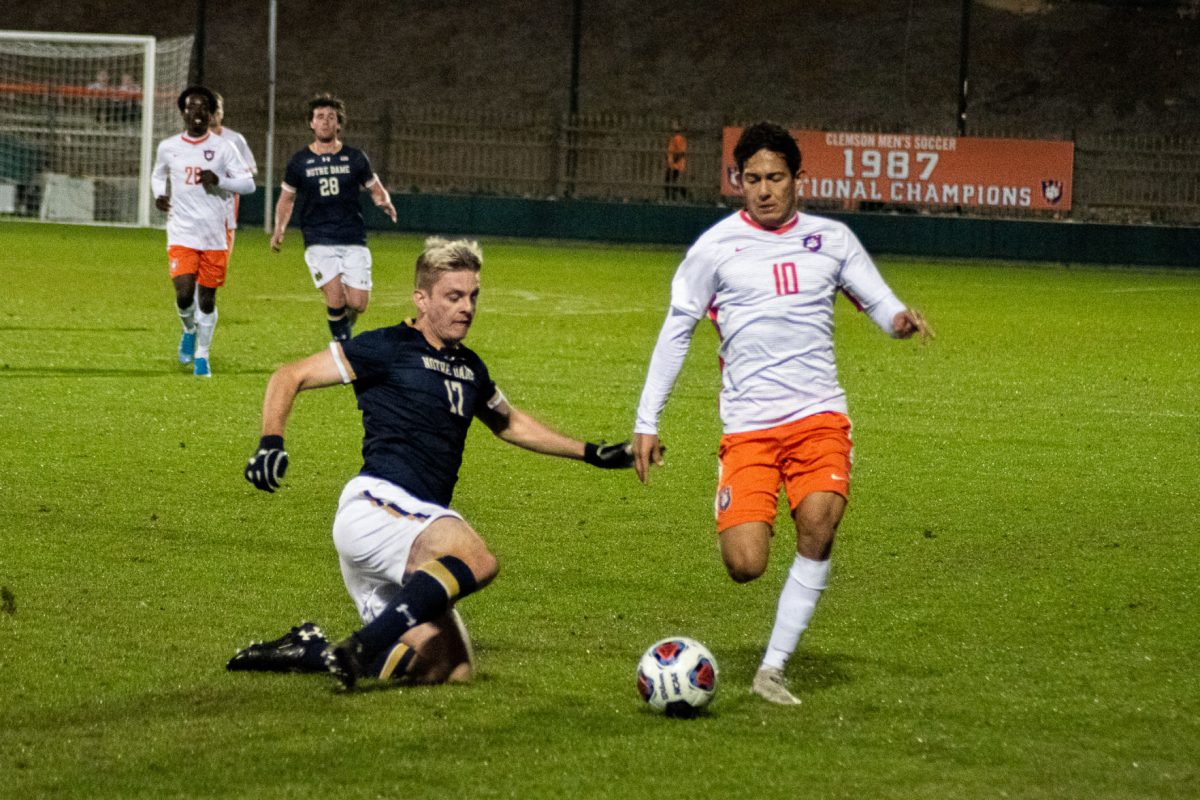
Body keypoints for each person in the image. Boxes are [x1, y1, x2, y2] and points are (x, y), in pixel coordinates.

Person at [231, 237, 635, 688]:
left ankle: (310, 650)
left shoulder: (470, 368)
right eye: (454, 296)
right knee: (475, 557)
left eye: (473, 296)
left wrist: (591, 453)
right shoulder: (387, 347)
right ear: (421, 299)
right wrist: (271, 440)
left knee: (450, 668)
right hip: (376, 508)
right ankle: (364, 642)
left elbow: (510, 423)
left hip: (413, 531)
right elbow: (292, 374)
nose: (467, 308)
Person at [632, 122, 933, 705]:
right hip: (747, 429)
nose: (764, 189)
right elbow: (676, 332)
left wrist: (900, 321)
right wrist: (648, 419)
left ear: (799, 179)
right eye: (752, 179)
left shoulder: (833, 239)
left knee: (818, 526)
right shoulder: (715, 248)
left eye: (775, 178)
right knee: (745, 565)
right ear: (736, 182)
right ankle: (733, 491)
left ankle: (773, 667)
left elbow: (879, 301)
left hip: (819, 417)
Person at [270, 94, 397, 342]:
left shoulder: (355, 157)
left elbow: (373, 185)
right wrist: (279, 229)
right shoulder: (299, 161)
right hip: (318, 237)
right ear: (311, 124)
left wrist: (385, 201)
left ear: (339, 124)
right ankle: (343, 347)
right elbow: (287, 199)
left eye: (331, 117)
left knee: (358, 303)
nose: (326, 122)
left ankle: (340, 323)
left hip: (352, 236)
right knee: (336, 297)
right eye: (320, 117)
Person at [151, 85, 254, 377]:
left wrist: (220, 179)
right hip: (181, 232)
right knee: (184, 294)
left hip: (213, 235)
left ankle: (202, 356)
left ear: (211, 114)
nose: (198, 113)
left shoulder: (225, 148)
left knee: (207, 300)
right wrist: (160, 194)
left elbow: (248, 184)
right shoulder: (168, 147)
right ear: (184, 112)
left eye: (203, 108)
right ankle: (188, 329)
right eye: (192, 107)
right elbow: (158, 174)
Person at [208, 91, 259, 252]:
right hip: (196, 209)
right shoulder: (190, 139)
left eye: (218, 109)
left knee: (217, 269)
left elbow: (250, 172)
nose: (214, 114)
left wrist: (227, 179)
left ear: (222, 112)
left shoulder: (234, 139)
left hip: (225, 209)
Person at [664, 120, 688, 201]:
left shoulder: (678, 138)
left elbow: (681, 152)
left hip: (675, 165)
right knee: (670, 182)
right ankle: (674, 197)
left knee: (668, 183)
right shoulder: (674, 138)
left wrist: (674, 160)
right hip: (673, 164)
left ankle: (679, 194)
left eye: (675, 125)